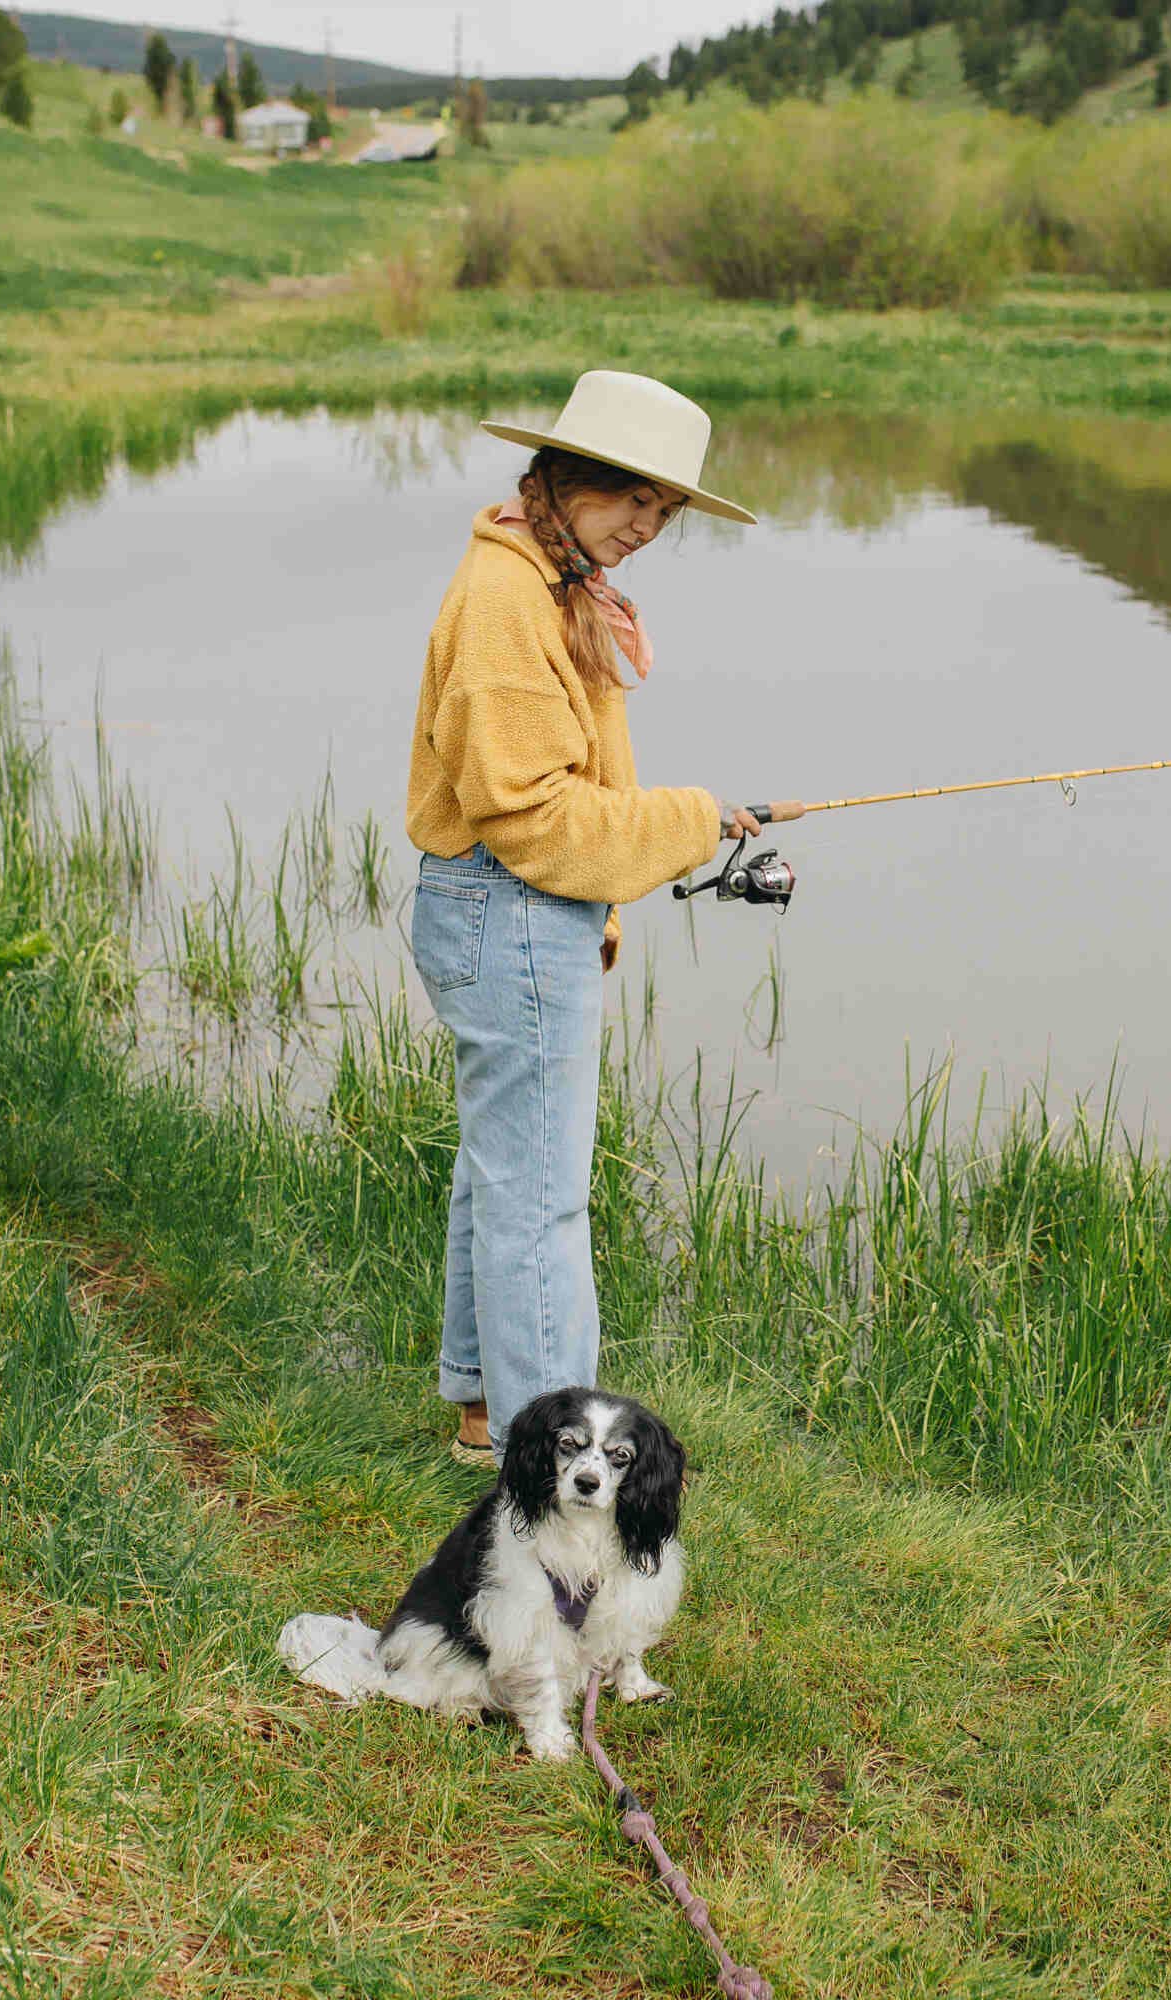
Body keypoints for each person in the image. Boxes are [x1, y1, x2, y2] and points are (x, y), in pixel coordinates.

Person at [404, 371, 774, 1465]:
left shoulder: (553, 574)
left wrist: (691, 824)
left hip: (510, 905)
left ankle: (484, 1409)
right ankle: (555, 1462)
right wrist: (691, 818)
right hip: (512, 903)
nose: (647, 528)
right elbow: (532, 814)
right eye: (631, 501)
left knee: (502, 1169)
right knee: (544, 1203)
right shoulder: (510, 598)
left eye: (664, 512)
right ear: (566, 479)